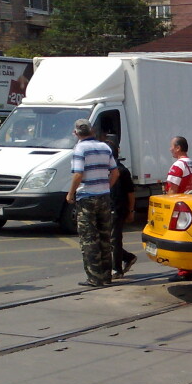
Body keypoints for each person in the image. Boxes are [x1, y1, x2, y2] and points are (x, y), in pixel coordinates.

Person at [67, 119, 118, 287]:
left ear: (76, 133)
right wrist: (105, 186)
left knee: (89, 238)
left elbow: (78, 175)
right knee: (105, 237)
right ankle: (106, 276)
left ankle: (94, 277)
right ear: (92, 131)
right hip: (104, 196)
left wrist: (70, 193)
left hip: (87, 198)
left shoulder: (79, 149)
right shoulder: (105, 147)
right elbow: (115, 172)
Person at [165, 136, 192, 281]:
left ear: (178, 148)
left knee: (178, 240)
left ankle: (184, 271)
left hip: (179, 206)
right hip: (189, 204)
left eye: (172, 146)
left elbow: (172, 190)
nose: (170, 149)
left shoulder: (177, 165)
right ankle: (190, 268)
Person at [106, 135, 137, 279]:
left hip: (118, 209)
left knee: (114, 239)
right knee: (107, 239)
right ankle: (128, 257)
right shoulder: (106, 170)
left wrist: (131, 211)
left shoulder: (122, 171)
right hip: (106, 208)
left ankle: (116, 269)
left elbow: (131, 193)